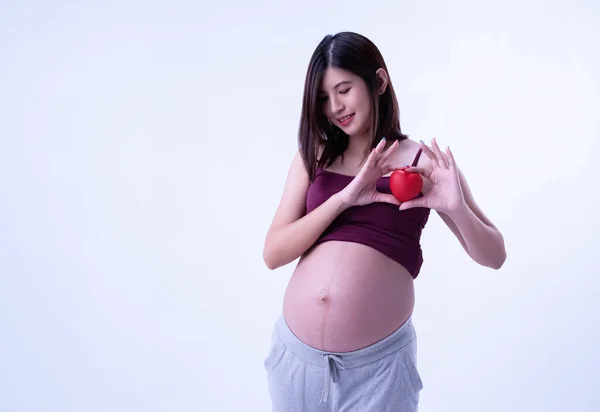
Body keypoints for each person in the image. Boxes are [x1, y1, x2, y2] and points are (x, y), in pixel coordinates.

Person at [262, 31, 506, 412]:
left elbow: (494, 255)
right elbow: (273, 253)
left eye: (344, 89)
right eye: (324, 97)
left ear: (378, 81)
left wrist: (457, 208)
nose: (334, 107)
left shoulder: (422, 161)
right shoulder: (314, 156)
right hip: (298, 362)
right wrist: (345, 198)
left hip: (378, 371)